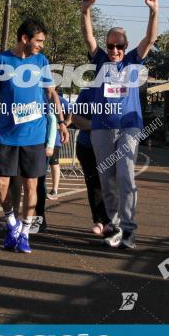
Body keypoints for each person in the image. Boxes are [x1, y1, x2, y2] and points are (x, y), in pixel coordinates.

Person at [0, 20, 68, 253]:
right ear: (24, 39)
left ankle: (26, 232)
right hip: (7, 134)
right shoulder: (2, 60)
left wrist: (61, 122)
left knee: (32, 185)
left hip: (34, 135)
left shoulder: (41, 61)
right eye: (38, 41)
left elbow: (51, 93)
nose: (41, 46)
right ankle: (12, 224)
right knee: (1, 185)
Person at [80, 0, 158, 249]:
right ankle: (112, 225)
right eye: (111, 46)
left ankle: (129, 230)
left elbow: (150, 39)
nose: (115, 51)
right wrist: (86, 11)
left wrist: (153, 12)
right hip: (102, 128)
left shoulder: (133, 61)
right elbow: (89, 37)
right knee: (107, 180)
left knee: (126, 176)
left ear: (126, 47)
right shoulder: (101, 60)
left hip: (128, 126)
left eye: (120, 46)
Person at [70, 87, 110, 235]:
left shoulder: (123, 90)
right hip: (87, 145)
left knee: (111, 182)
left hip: (112, 146)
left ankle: (112, 220)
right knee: (94, 184)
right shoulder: (88, 92)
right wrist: (95, 126)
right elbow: (75, 117)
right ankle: (99, 221)